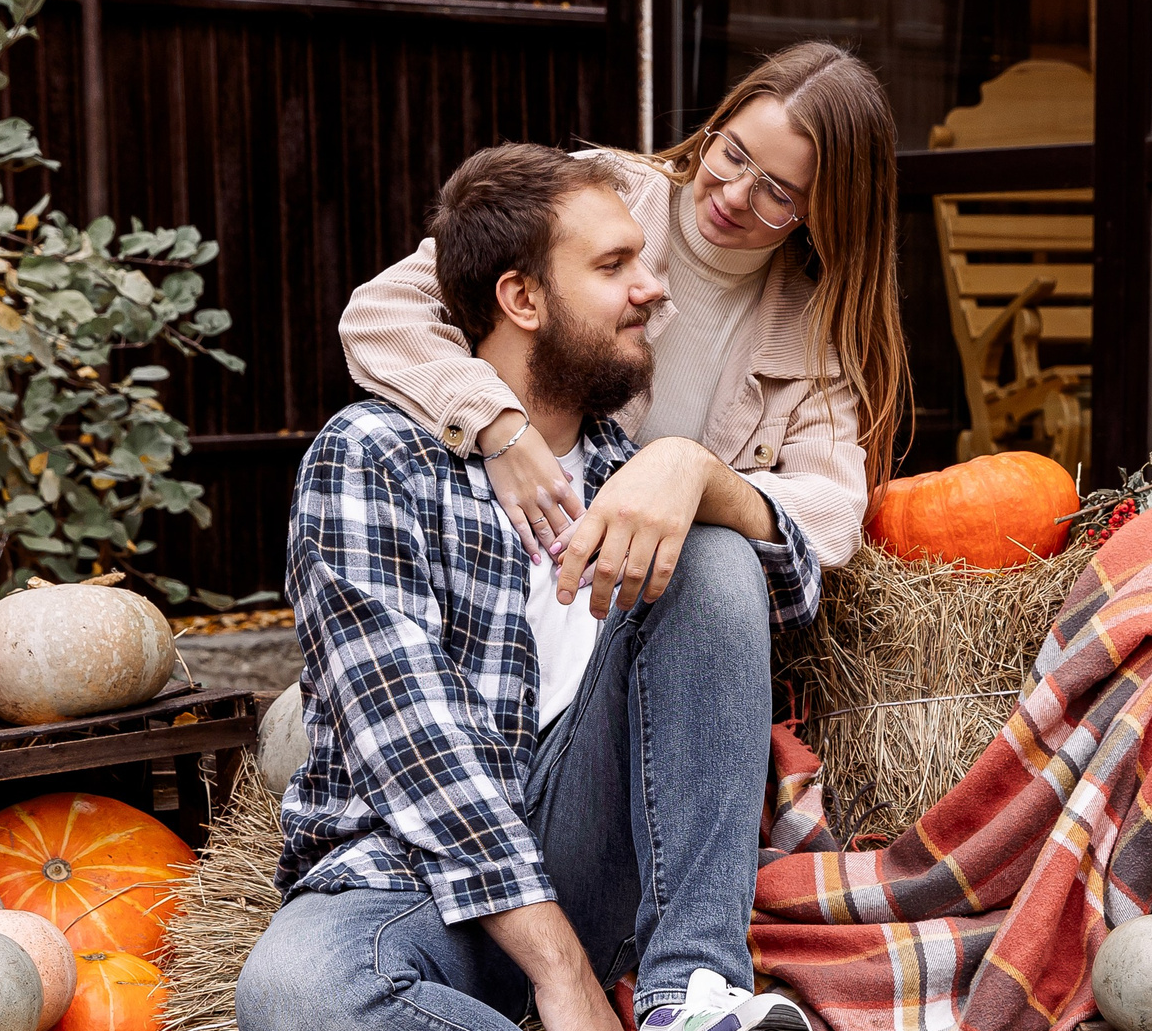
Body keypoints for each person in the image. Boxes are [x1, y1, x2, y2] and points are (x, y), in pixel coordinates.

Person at [239, 143, 890, 1031]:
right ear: (521, 297)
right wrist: (561, 975)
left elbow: (794, 598)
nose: (652, 289)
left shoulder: (639, 481)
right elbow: (409, 745)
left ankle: (689, 1008)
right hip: (416, 881)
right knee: (298, 1002)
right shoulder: (372, 458)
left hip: (594, 861)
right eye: (614, 267)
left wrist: (694, 471)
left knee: (715, 548)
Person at [340, 42, 909, 614]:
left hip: (643, 613)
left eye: (778, 193)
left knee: (721, 570)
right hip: (497, 555)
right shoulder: (601, 196)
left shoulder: (813, 329)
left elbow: (834, 513)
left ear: (824, 211)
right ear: (714, 127)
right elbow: (383, 309)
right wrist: (499, 428)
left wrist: (692, 474)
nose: (735, 195)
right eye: (733, 155)